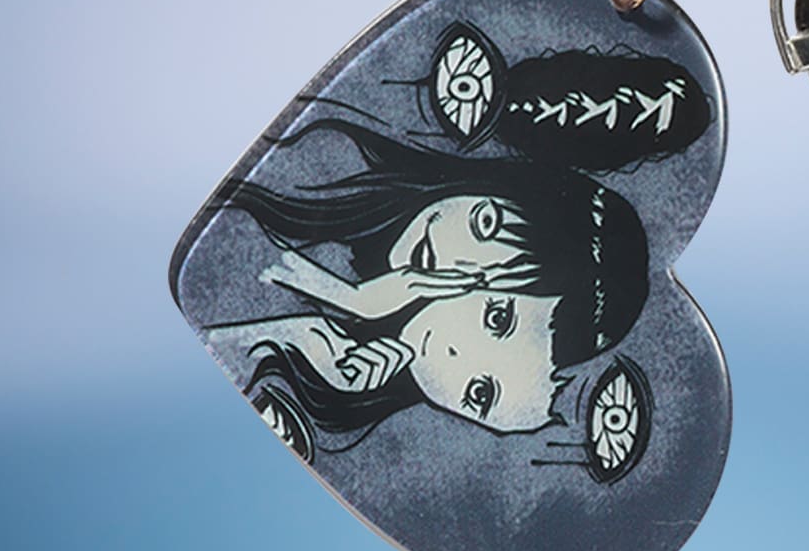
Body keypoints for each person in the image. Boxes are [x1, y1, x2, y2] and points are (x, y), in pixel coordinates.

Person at [204, 117, 649, 455]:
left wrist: (300, 341)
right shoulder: (315, 164)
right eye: (486, 223)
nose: (450, 262)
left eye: (480, 393)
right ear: (494, 182)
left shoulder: (337, 394)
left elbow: (214, 355)